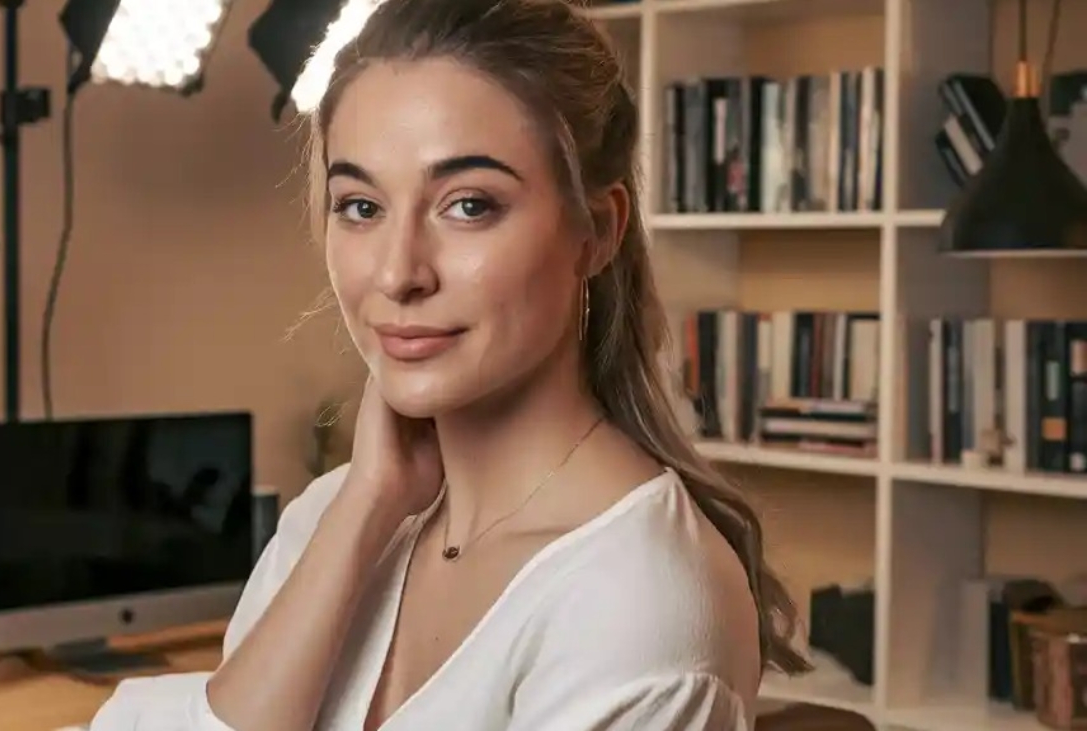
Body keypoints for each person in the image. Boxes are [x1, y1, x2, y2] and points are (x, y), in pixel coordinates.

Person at [89, 0, 811, 728]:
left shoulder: (640, 603)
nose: (399, 273)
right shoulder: (329, 521)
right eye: (362, 206)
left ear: (597, 229)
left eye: (468, 205)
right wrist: (366, 508)